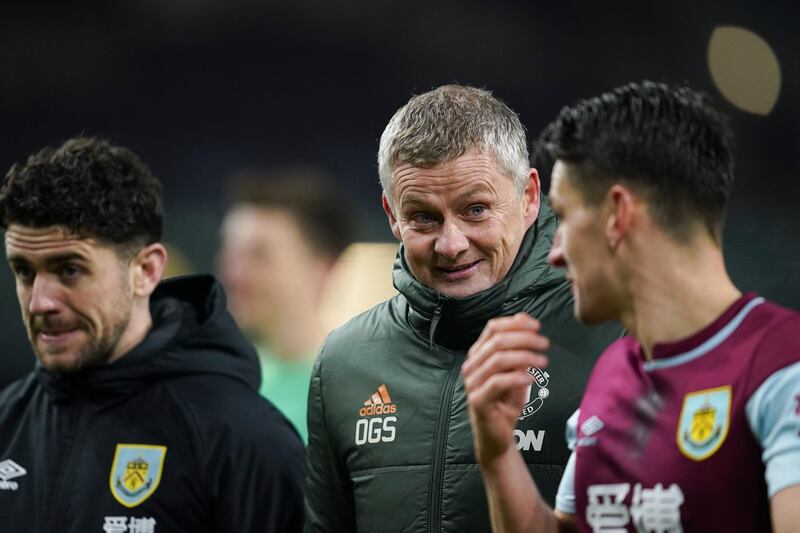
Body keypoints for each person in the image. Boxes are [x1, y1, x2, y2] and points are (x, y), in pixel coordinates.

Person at [463, 81, 800, 532]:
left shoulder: (783, 365)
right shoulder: (612, 372)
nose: (554, 252)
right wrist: (498, 452)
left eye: (562, 217)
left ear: (617, 215)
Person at [304, 84, 623, 532]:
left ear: (529, 197)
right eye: (423, 217)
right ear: (392, 215)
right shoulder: (343, 362)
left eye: (475, 210)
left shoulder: (615, 338)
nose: (451, 245)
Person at [0, 137, 305, 532]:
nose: (40, 302)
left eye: (69, 270)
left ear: (145, 271)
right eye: (24, 271)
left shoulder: (246, 442)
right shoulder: (8, 422)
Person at [217, 168, 355, 442]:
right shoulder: (219, 383)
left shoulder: (357, 392)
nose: (234, 273)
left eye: (260, 255)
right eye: (230, 252)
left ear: (321, 269)